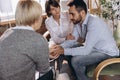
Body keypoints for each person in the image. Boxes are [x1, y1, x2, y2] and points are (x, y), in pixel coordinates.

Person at [50, 0, 119, 80]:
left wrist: (63, 50)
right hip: (95, 49)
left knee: (76, 61)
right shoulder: (77, 22)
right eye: (69, 14)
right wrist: (58, 48)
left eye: (72, 14)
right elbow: (73, 40)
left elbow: (86, 50)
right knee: (68, 51)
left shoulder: (94, 23)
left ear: (82, 13)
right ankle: (71, 76)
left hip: (107, 53)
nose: (70, 17)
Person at [0, 0, 53, 80]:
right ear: (37, 19)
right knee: (49, 73)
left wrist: (45, 53)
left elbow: (19, 54)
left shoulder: (6, 33)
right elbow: (43, 69)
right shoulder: (39, 40)